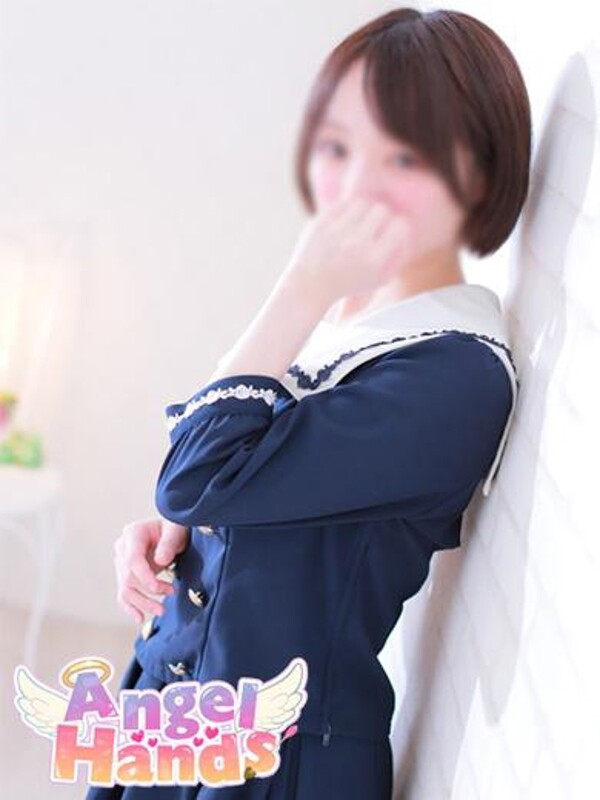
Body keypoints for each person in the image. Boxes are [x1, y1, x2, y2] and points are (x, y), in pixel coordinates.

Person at [87, 6, 531, 799]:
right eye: (338, 144)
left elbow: (199, 475)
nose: (355, 183)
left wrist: (301, 284)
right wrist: (175, 540)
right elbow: (210, 485)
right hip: (174, 718)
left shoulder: (453, 375)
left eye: (404, 152)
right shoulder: (347, 325)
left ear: (479, 173)